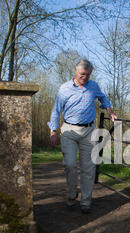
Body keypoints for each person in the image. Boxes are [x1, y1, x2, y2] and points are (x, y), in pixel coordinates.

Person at [48, 59, 117, 214]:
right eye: (82, 74)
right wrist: (53, 131)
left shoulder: (93, 86)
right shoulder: (64, 88)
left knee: (88, 167)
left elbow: (103, 98)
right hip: (69, 131)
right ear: (75, 71)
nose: (85, 77)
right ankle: (72, 195)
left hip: (89, 131)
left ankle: (86, 201)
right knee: (70, 165)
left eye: (88, 74)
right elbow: (56, 110)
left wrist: (110, 111)